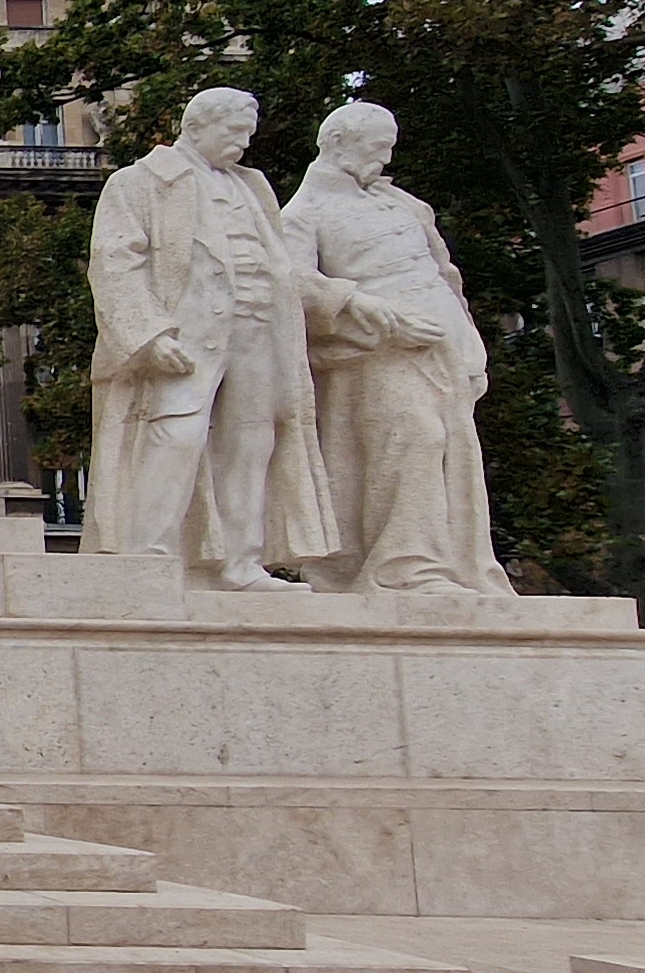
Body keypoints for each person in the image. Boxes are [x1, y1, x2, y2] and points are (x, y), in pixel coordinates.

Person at [80, 85, 345, 588]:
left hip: (258, 331)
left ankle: (242, 562)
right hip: (186, 335)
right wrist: (147, 334)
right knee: (175, 436)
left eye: (248, 133)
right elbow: (114, 263)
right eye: (235, 131)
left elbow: (281, 265)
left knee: (252, 442)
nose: (244, 142)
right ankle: (149, 554)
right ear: (197, 125)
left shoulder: (254, 188)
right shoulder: (140, 182)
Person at [286, 99, 511, 593]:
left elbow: (444, 274)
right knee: (414, 438)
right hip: (373, 349)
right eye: (378, 147)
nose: (386, 158)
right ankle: (407, 568)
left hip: (440, 348)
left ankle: (453, 567)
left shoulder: (405, 204)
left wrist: (469, 343)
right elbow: (292, 283)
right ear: (339, 143)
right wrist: (368, 309)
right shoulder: (304, 212)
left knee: (452, 452)